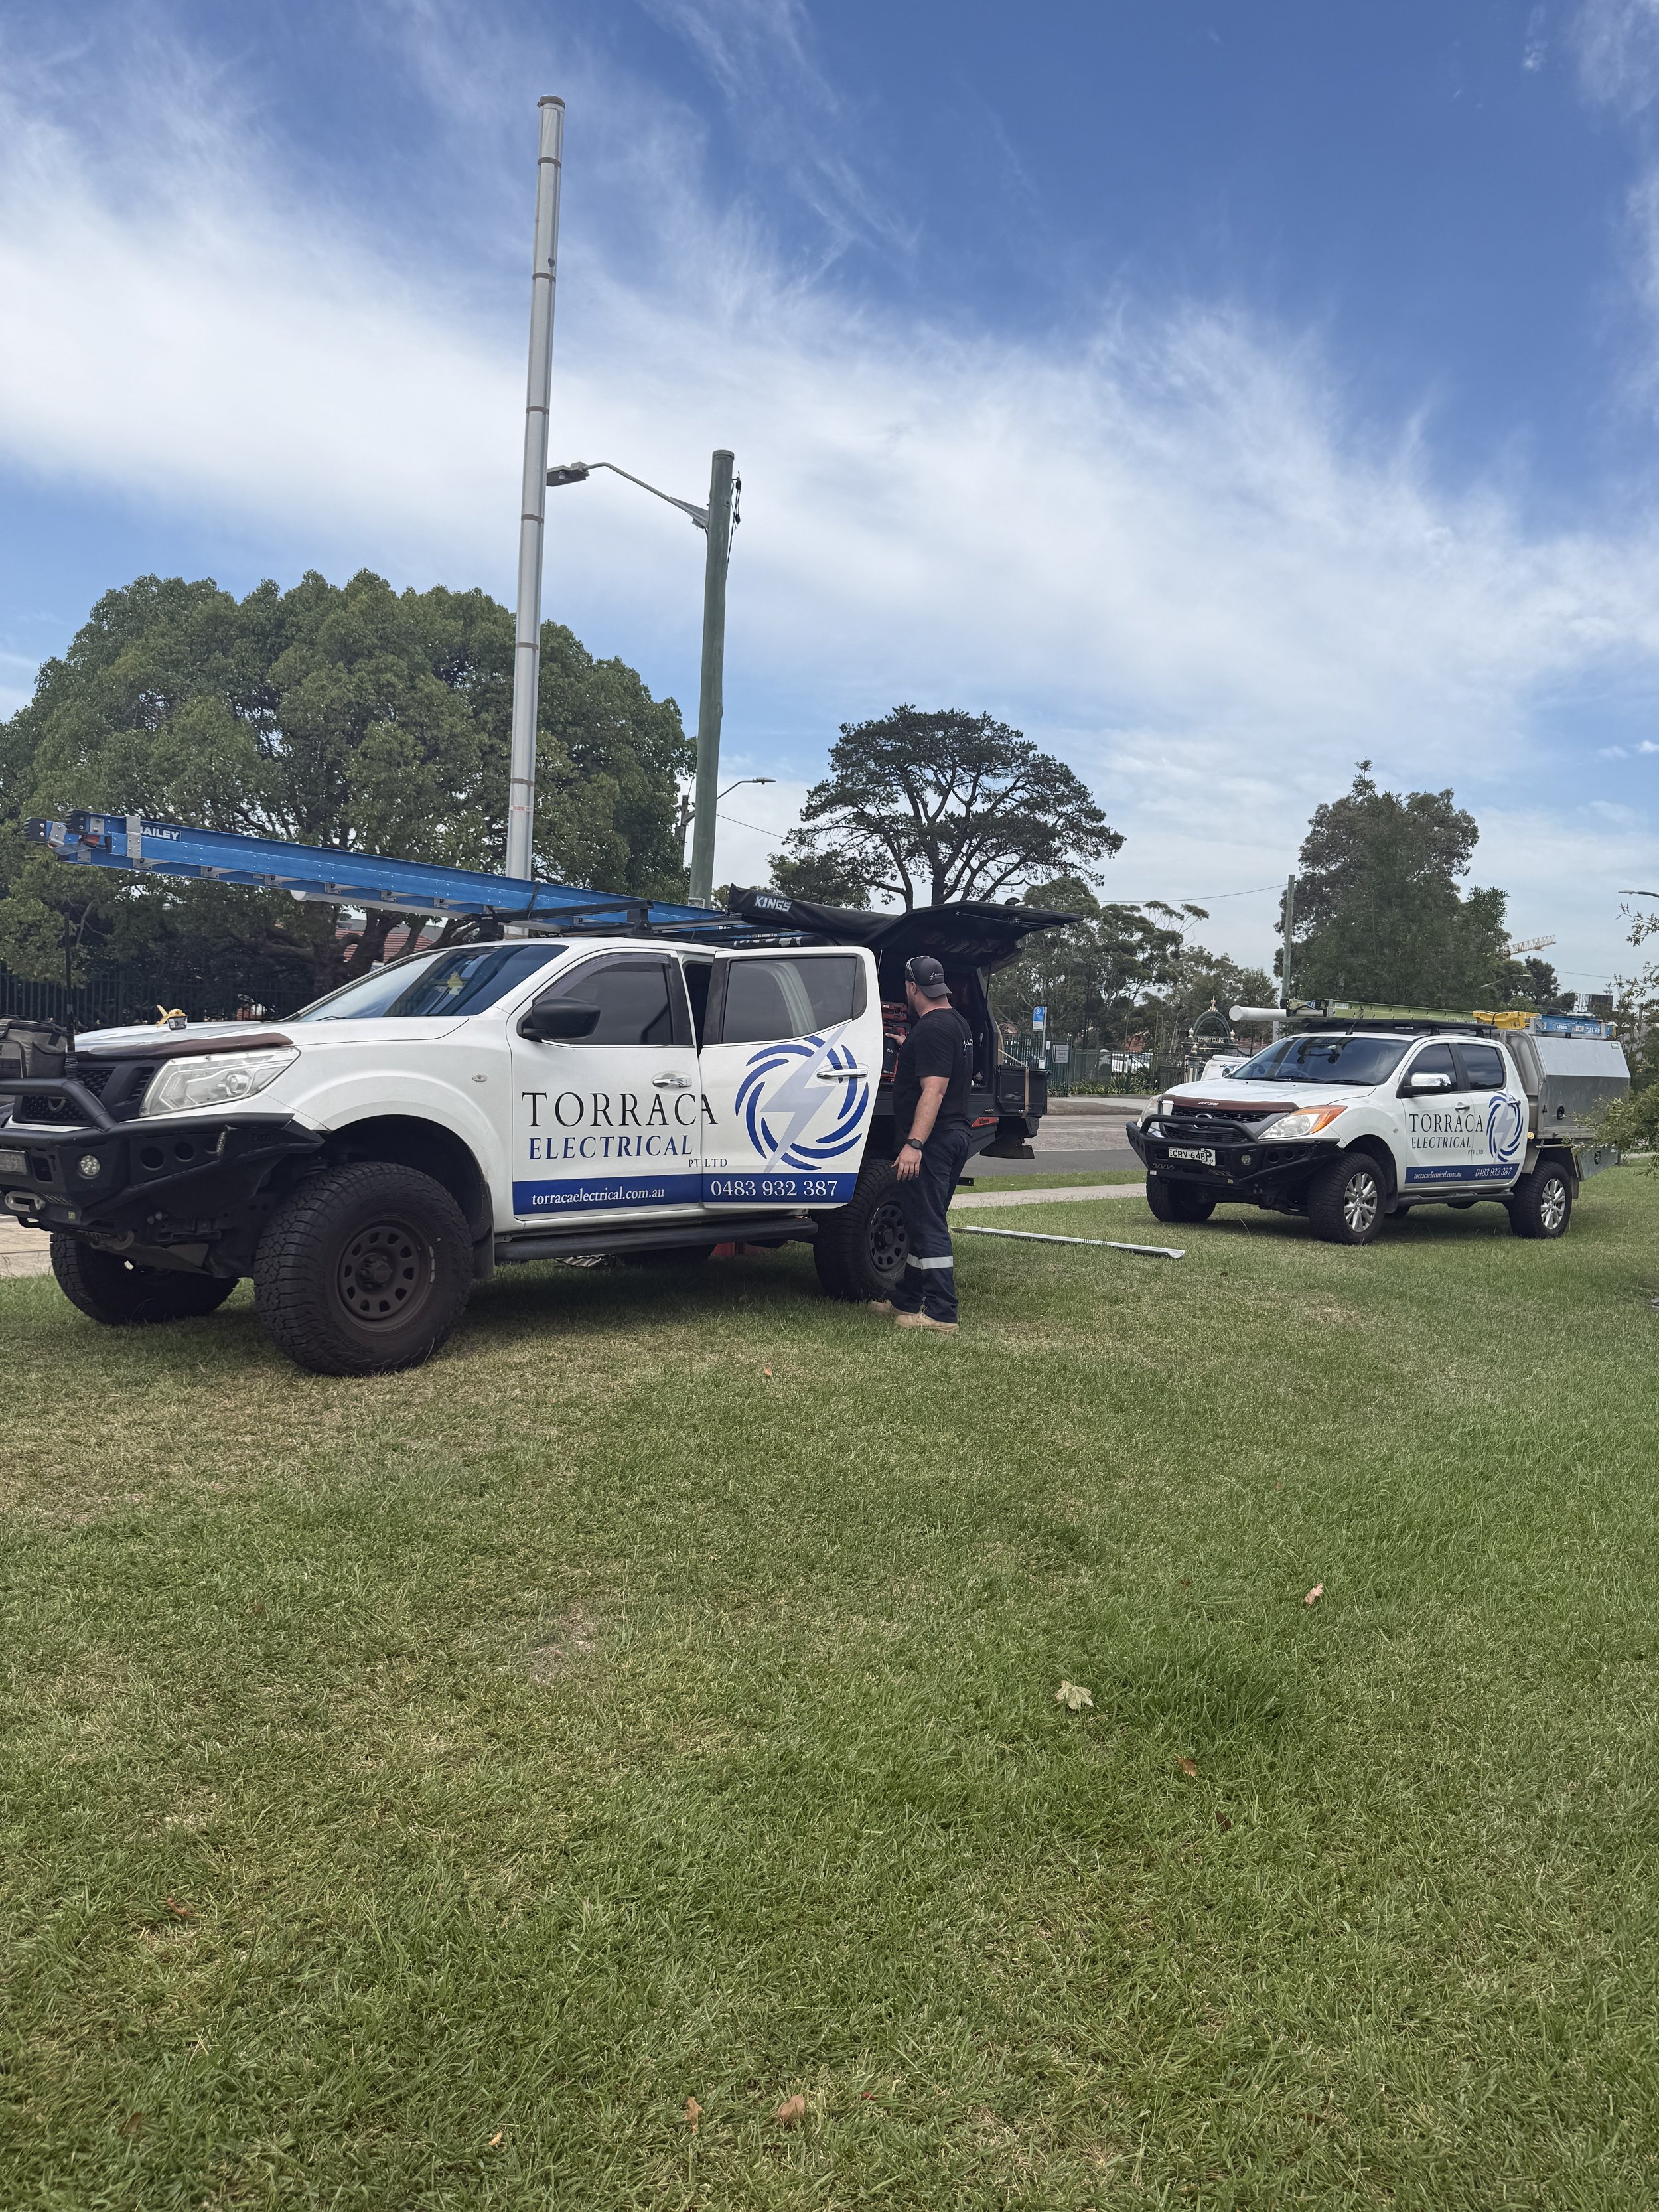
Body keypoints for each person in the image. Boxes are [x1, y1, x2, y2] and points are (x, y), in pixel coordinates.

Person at [875, 954, 975, 1334]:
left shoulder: (932, 1029)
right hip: (956, 1134)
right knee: (921, 1219)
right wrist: (908, 1045)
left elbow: (934, 1090)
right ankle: (906, 1299)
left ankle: (941, 1313)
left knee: (930, 1222)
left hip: (934, 1141)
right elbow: (940, 1062)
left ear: (912, 988)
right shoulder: (956, 1023)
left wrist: (914, 1144)